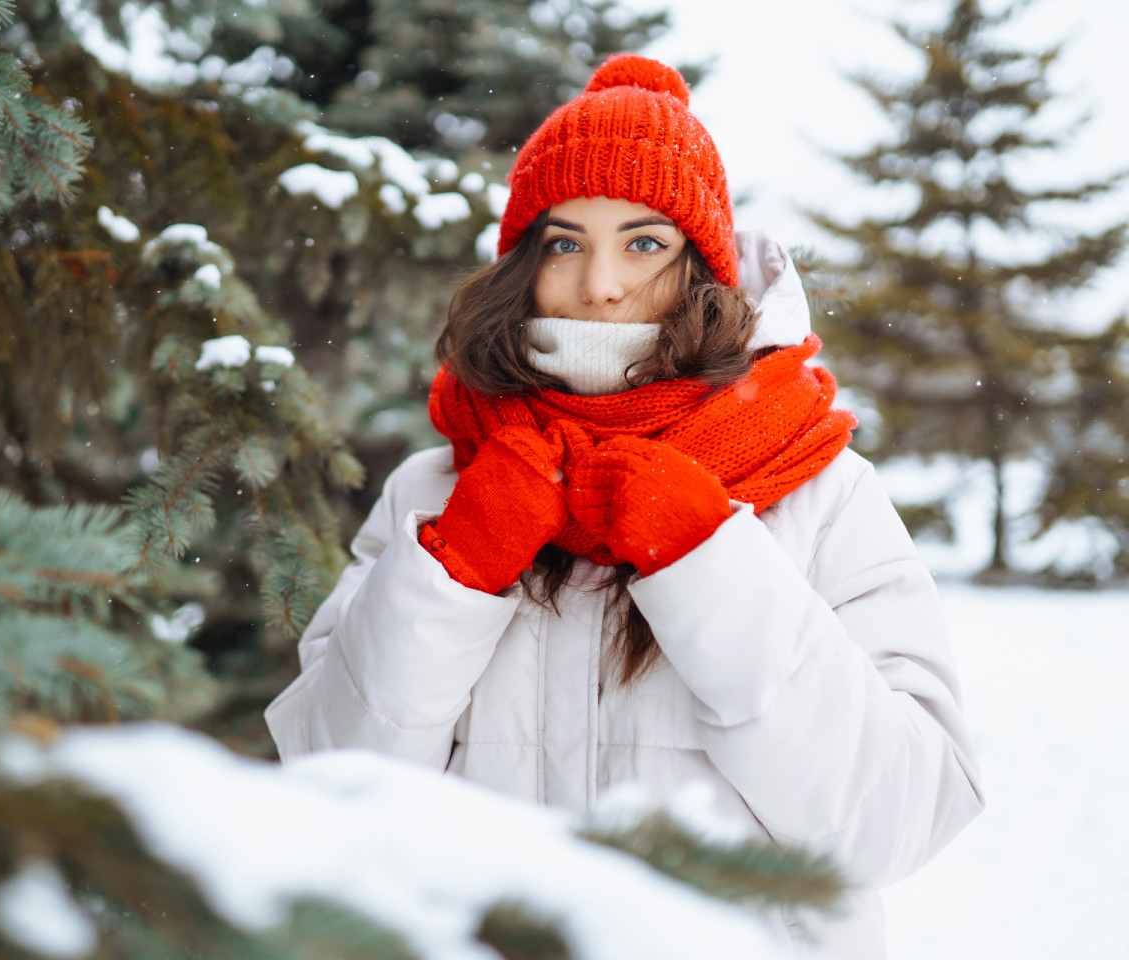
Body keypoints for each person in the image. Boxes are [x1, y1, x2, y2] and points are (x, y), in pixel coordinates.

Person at [265, 54, 983, 959]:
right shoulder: (434, 492)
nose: (601, 283)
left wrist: (707, 560)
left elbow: (898, 820)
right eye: (565, 242)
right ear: (524, 265)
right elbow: (331, 794)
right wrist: (456, 573)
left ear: (702, 270)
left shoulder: (820, 491)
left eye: (645, 243)